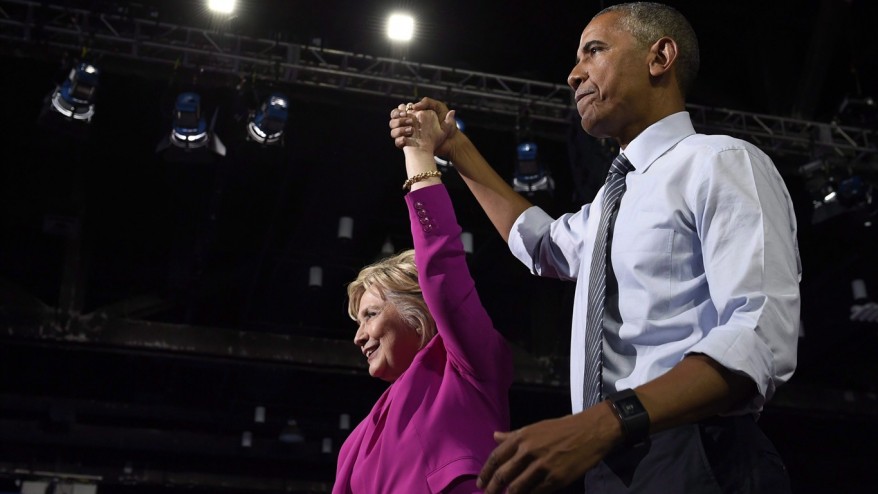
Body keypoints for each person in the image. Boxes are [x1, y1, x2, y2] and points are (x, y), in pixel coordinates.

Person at [388, 2, 801, 493]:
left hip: (698, 451)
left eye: (594, 51)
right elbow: (541, 244)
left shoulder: (721, 162)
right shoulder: (611, 201)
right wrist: (455, 146)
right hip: (609, 461)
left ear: (660, 56)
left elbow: (758, 335)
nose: (572, 74)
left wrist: (605, 421)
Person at [333, 106, 514, 493]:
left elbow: (442, 270)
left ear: (416, 311)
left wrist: (418, 154)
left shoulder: (469, 369)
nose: (358, 336)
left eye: (370, 314)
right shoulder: (354, 445)